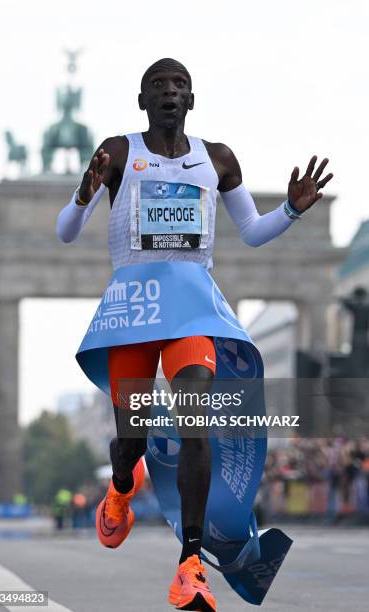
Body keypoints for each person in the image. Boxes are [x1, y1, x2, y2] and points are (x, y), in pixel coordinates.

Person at [56, 57, 333, 611]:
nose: (168, 92)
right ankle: (121, 485)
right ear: (142, 101)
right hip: (135, 309)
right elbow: (67, 232)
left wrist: (293, 212)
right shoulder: (118, 150)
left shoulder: (219, 159)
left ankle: (189, 565)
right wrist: (85, 194)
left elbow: (252, 232)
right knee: (130, 439)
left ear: (191, 100)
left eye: (178, 85)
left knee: (195, 427)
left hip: (192, 311)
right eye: (157, 85)